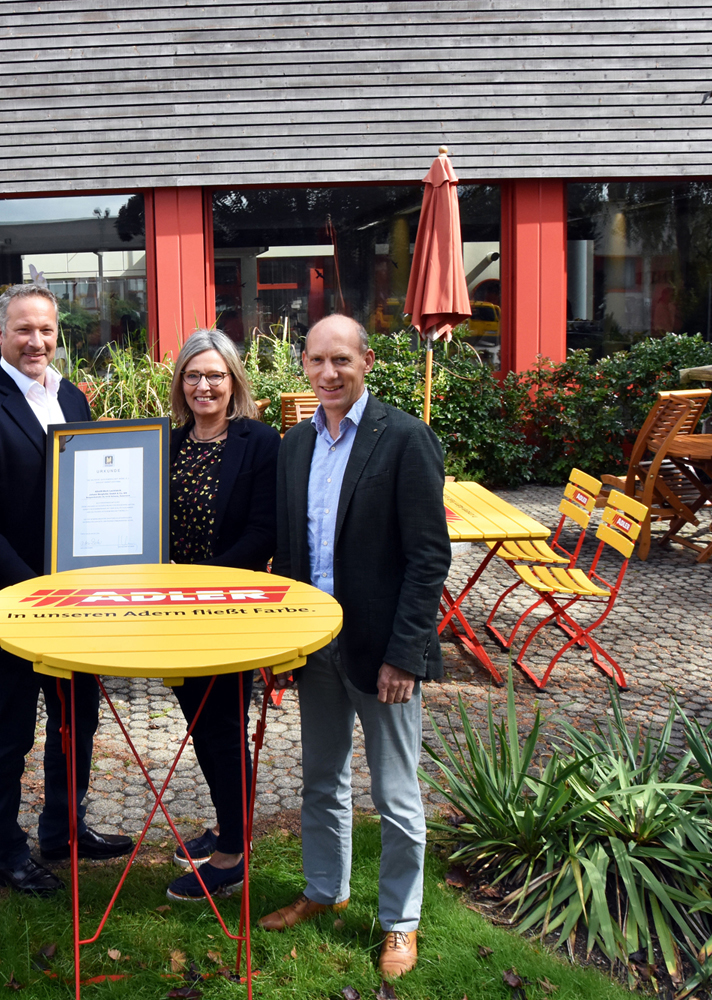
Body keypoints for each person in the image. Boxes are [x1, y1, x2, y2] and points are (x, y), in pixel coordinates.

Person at [262, 314, 451, 980]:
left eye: (341, 360)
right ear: (303, 366)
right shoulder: (294, 444)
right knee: (322, 780)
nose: (329, 373)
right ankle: (325, 890)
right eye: (317, 361)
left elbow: (428, 558)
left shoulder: (405, 438)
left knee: (396, 795)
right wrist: (285, 642)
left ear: (367, 361)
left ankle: (401, 921)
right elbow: (291, 554)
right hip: (316, 648)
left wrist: (405, 653)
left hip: (381, 652)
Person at [0, 283, 133, 896]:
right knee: (9, 730)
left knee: (77, 719)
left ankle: (63, 830)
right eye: (24, 329)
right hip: (15, 602)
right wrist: (34, 590)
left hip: (78, 600)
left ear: (59, 334)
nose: (36, 341)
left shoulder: (73, 396)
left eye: (46, 330)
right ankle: (6, 851)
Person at [161, 329, 280, 903]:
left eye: (215, 375)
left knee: (224, 727)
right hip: (172, 611)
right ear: (180, 384)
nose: (203, 385)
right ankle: (229, 823)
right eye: (193, 375)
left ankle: (232, 855)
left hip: (227, 607)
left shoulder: (259, 442)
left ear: (234, 381)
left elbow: (263, 532)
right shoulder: (166, 443)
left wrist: (200, 582)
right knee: (199, 722)